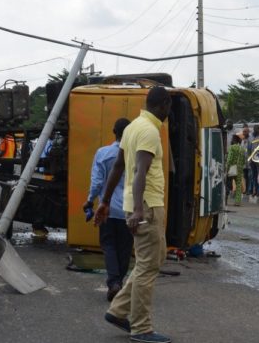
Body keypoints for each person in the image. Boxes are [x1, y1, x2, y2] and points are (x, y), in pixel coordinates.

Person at [95, 86, 172, 343]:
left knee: (147, 262)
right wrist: (139, 209)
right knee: (148, 267)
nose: (168, 112)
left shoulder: (132, 128)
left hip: (136, 203)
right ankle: (141, 328)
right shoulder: (150, 131)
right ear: (162, 105)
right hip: (147, 205)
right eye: (168, 107)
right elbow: (140, 170)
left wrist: (105, 202)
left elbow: (118, 166)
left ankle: (118, 311)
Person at [84, 118, 133, 302]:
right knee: (125, 248)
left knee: (109, 245)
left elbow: (96, 182)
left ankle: (114, 283)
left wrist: (89, 201)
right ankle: (118, 283)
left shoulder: (102, 153)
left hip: (107, 208)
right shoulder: (135, 154)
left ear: (114, 131)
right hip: (128, 209)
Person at [226, 134, 245, 206]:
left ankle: (225, 200)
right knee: (238, 185)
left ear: (234, 139)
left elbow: (229, 159)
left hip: (232, 168)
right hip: (239, 169)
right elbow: (243, 160)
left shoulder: (232, 148)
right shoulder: (242, 149)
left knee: (227, 183)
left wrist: (227, 168)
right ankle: (237, 201)